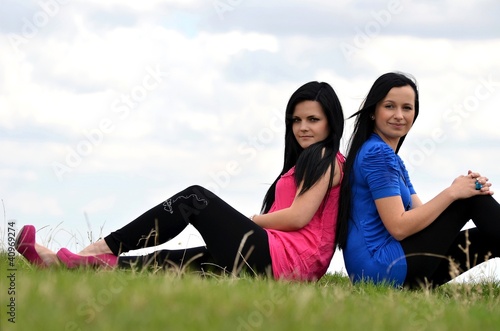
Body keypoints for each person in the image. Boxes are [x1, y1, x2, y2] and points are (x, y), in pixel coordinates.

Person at [15, 81, 345, 281]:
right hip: (280, 262)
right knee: (171, 262)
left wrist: (249, 221)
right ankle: (63, 264)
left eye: (313, 120)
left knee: (194, 199)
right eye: (297, 120)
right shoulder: (304, 162)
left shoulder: (326, 159)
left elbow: (299, 217)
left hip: (287, 262)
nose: (303, 127)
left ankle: (97, 249)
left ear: (331, 123)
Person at [336, 72, 500, 288]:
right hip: (381, 268)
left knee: (485, 235)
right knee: (471, 201)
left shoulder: (392, 159)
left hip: (390, 269)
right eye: (389, 106)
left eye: (407, 108)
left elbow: (422, 220)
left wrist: (458, 189)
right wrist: (454, 194)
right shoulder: (377, 154)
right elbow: (399, 227)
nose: (399, 115)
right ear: (373, 112)